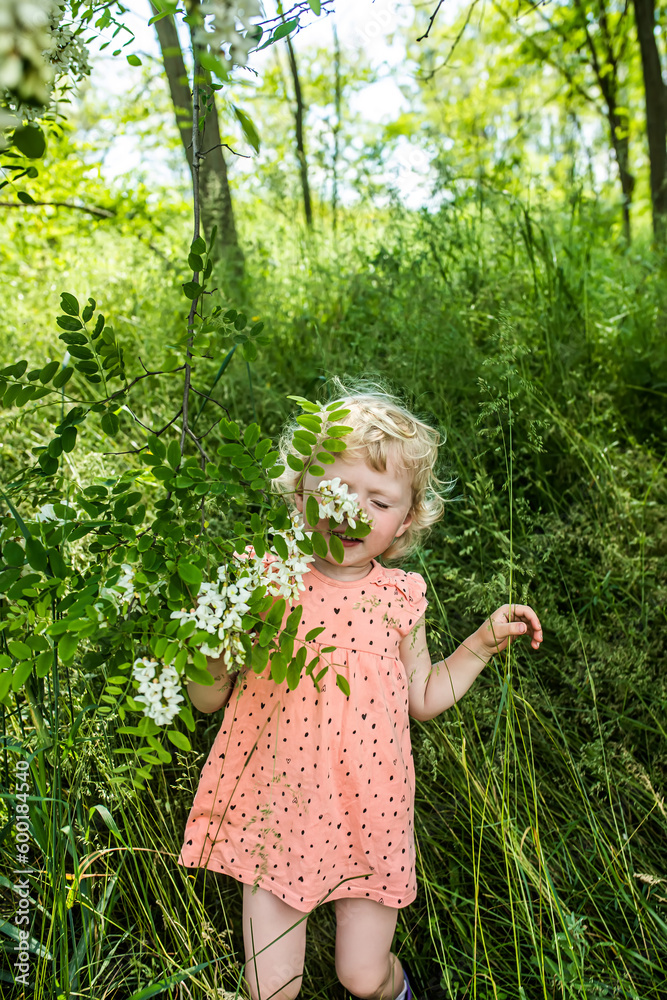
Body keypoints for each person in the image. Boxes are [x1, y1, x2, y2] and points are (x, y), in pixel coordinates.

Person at [178, 381, 543, 1000]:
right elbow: (207, 700)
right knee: (271, 989)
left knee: (362, 974)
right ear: (300, 495)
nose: (353, 513)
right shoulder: (261, 581)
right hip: (276, 809)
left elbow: (422, 696)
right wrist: (211, 644)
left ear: (405, 520)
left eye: (379, 501)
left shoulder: (400, 597)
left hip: (369, 810)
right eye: (337, 492)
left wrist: (480, 643)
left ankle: (404, 991)